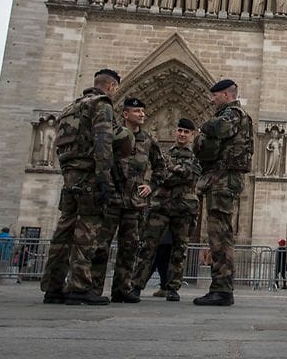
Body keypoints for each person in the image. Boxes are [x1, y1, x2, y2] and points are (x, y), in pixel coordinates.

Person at [40, 68, 121, 306]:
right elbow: (103, 142)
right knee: (87, 231)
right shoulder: (101, 105)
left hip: (69, 176)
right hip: (89, 176)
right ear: (112, 87)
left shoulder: (70, 108)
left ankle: (52, 287)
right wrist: (105, 179)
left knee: (63, 231)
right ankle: (79, 286)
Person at [91, 97, 160, 303]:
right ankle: (94, 289)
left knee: (129, 247)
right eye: (137, 111)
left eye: (143, 111)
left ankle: (122, 289)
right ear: (125, 114)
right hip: (111, 199)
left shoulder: (148, 140)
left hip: (134, 203)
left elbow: (161, 167)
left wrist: (151, 186)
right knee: (101, 246)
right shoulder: (112, 136)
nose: (142, 114)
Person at [193, 79, 254, 306]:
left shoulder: (233, 114)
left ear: (227, 95)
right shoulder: (235, 114)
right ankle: (221, 288)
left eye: (215, 96)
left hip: (223, 179)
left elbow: (219, 129)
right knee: (220, 234)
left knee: (220, 236)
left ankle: (222, 289)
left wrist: (204, 127)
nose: (211, 100)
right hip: (222, 179)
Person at [132, 117, 201, 302]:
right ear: (175, 132)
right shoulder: (164, 153)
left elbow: (190, 175)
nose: (182, 134)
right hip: (161, 206)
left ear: (192, 135)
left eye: (186, 132)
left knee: (179, 250)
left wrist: (171, 172)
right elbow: (159, 175)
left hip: (184, 208)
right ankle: (136, 286)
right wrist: (174, 172)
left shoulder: (196, 155)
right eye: (180, 131)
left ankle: (172, 288)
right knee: (147, 246)